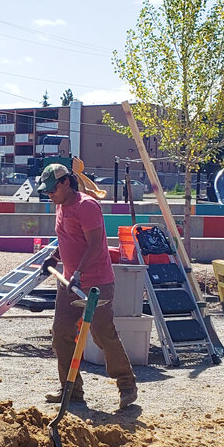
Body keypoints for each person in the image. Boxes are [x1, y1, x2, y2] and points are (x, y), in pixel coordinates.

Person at [36, 162, 137, 410]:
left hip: (96, 283)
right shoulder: (61, 207)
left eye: (52, 190)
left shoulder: (86, 206)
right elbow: (69, 238)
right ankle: (71, 390)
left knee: (102, 333)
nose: (49, 195)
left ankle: (127, 386)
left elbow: (94, 245)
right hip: (70, 282)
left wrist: (80, 273)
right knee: (61, 334)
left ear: (66, 183)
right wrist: (56, 257)